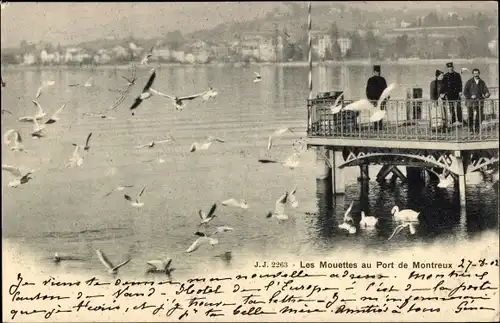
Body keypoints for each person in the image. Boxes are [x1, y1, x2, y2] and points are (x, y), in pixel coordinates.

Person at [463, 68, 490, 133]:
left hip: (479, 101)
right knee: (470, 116)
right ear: (473, 74)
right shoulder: (469, 82)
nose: (476, 74)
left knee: (479, 116)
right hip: (470, 102)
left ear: (479, 73)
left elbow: (485, 90)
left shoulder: (482, 82)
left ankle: (477, 128)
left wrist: (487, 94)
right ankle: (471, 129)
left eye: (477, 73)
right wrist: (470, 96)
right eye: (474, 73)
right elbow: (465, 92)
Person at [366, 65, 388, 130]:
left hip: (373, 100)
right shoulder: (382, 79)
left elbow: (367, 90)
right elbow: (385, 90)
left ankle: (375, 127)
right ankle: (380, 126)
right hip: (381, 100)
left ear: (374, 71)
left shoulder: (370, 80)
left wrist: (369, 99)